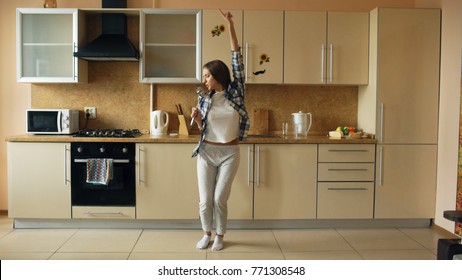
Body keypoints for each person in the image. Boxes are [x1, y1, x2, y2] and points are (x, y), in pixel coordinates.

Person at [191, 9, 250, 251]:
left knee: (219, 199)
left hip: (229, 153)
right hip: (207, 152)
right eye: (204, 76)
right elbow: (203, 129)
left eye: (207, 76)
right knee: (205, 201)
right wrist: (196, 119)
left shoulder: (236, 92)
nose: (204, 80)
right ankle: (207, 233)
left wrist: (230, 24)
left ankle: (220, 236)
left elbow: (236, 55)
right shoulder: (205, 99)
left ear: (217, 75)